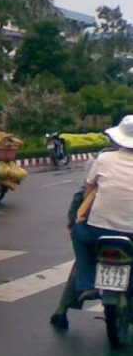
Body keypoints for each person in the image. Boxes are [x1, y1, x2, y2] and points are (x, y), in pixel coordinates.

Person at [66, 116, 133, 314]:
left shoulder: (103, 159)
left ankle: (87, 284)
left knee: (78, 235)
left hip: (97, 231)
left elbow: (86, 193)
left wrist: (77, 218)